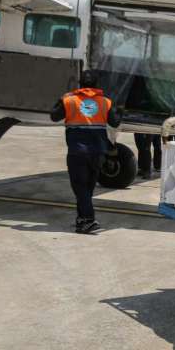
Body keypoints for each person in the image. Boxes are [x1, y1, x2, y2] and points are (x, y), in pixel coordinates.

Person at [51, 70, 121, 234]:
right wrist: (120, 111)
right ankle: (82, 220)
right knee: (87, 187)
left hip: (78, 152)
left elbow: (54, 117)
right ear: (97, 85)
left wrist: (61, 99)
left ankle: (88, 219)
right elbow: (115, 122)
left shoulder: (69, 100)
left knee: (80, 187)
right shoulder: (106, 102)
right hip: (98, 152)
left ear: (80, 84)